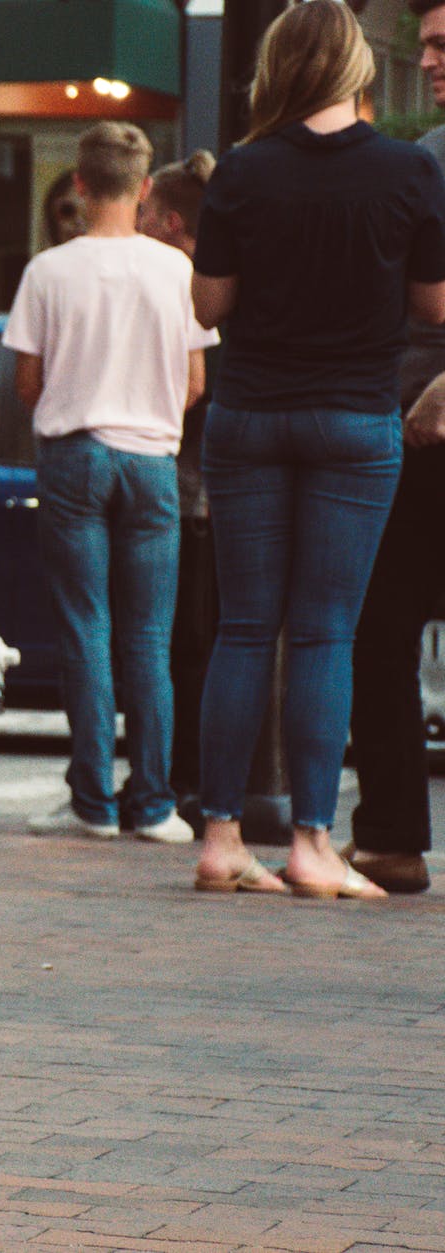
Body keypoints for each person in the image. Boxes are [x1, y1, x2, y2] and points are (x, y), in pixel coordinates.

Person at [190, 0, 445, 898]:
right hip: (352, 421)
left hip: (251, 413)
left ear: (278, 67)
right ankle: (310, 843)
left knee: (245, 626)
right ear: (355, 68)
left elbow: (208, 308)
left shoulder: (243, 170)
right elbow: (435, 307)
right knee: (327, 631)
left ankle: (220, 837)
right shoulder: (410, 171)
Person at [4, 121, 212, 846]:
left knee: (85, 629)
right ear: (146, 186)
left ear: (81, 184)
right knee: (148, 639)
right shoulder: (176, 272)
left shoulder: (48, 271)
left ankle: (92, 799)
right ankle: (152, 804)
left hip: (75, 454)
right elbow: (195, 381)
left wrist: (75, 405)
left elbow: (25, 381)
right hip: (153, 462)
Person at [345, 0, 445, 896]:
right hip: (406, 428)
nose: (431, 60)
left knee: (380, 626)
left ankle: (390, 835)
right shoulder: (430, 159)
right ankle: (390, 836)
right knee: (380, 629)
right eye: (425, 46)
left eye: (444, 46)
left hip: (429, 419)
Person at [136, 152, 218, 819]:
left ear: (167, 222)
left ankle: (177, 781)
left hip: (192, 490)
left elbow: (197, 390)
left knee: (181, 646)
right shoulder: (204, 284)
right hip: (199, 491)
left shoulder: (194, 287)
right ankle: (184, 782)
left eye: (141, 214)